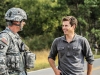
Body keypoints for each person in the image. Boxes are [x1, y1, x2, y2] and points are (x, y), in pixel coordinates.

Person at [0, 7, 30, 75]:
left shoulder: (16, 37)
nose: (24, 23)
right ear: (17, 21)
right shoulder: (5, 37)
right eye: (23, 21)